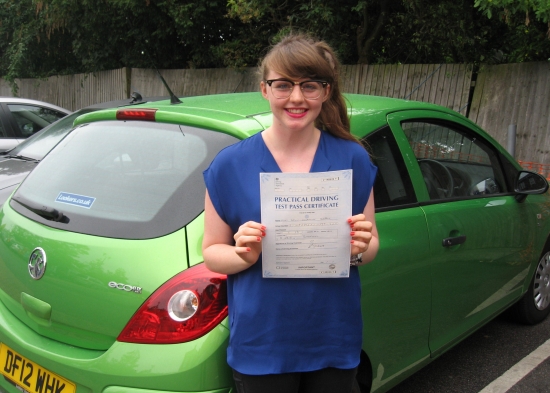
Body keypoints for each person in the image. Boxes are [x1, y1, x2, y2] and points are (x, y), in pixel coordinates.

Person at [202, 33, 379, 393]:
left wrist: (359, 248)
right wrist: (242, 254)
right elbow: (211, 254)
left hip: (332, 337)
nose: (296, 98)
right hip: (262, 343)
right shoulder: (229, 166)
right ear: (265, 90)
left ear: (326, 91)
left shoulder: (353, 159)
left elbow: (371, 243)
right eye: (283, 85)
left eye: (310, 86)